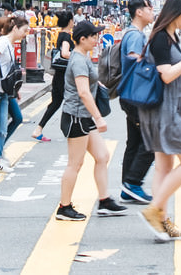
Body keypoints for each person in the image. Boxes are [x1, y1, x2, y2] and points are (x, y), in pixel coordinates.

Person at [138, 0, 181, 243]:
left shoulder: (169, 36)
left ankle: (162, 223)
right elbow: (166, 75)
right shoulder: (160, 39)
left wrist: (180, 110)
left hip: (167, 110)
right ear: (176, 13)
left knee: (164, 167)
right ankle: (154, 209)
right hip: (161, 112)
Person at [52, 20, 128, 220]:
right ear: (82, 39)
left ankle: (104, 201)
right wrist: (98, 117)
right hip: (77, 116)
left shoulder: (83, 58)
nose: (96, 39)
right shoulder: (78, 60)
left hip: (83, 117)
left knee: (102, 156)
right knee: (75, 164)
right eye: (93, 36)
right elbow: (84, 93)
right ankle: (64, 207)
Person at [115, 0, 154, 202]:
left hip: (129, 95)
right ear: (139, 12)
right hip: (136, 96)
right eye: (149, 8)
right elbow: (134, 62)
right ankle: (132, 183)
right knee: (150, 140)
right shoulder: (136, 36)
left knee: (135, 142)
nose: (152, 11)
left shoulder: (131, 34)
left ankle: (127, 187)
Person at [0, 13, 29, 174]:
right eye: (24, 31)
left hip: (4, 92)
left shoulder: (10, 45)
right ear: (16, 28)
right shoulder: (3, 42)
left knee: (2, 127)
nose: (25, 35)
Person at [32, 10, 75, 142]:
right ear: (70, 22)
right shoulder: (66, 37)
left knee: (56, 102)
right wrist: (78, 56)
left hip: (59, 75)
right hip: (63, 76)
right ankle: (72, 130)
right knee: (70, 102)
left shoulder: (61, 34)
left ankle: (38, 129)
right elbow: (65, 53)